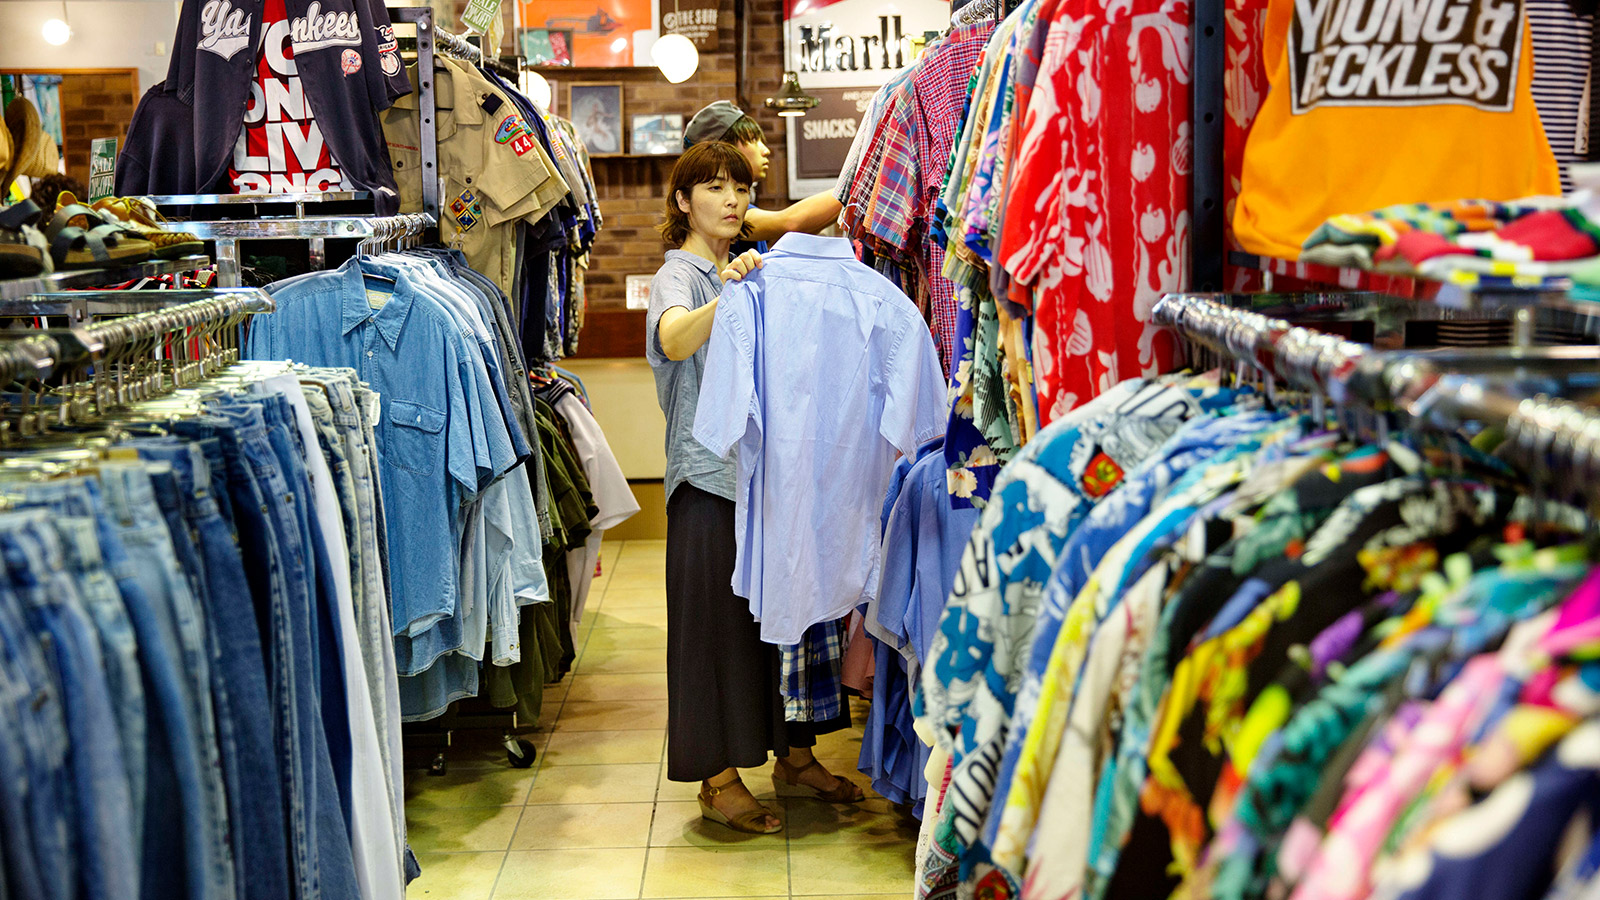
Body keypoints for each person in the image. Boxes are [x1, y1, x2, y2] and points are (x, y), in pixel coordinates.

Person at [646, 141, 864, 836]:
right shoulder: (679, 274)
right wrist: (735, 292)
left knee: (787, 625)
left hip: (770, 478)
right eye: (713, 187)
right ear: (684, 202)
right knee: (714, 633)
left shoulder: (748, 266)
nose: (732, 200)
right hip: (707, 482)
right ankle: (717, 779)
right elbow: (675, 339)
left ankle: (796, 759)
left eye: (739, 187)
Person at [682, 101, 843, 246]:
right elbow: (790, 222)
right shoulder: (725, 212)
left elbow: (795, 234)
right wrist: (854, 185)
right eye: (753, 140)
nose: (765, 150)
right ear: (724, 149)